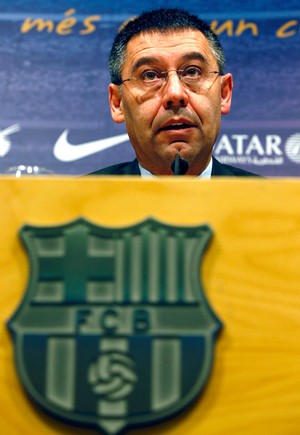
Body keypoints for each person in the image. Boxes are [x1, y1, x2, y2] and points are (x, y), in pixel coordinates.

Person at [91, 8, 258, 177]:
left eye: (192, 72)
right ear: (117, 103)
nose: (175, 94)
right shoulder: (74, 202)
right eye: (150, 75)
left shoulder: (274, 202)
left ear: (224, 93)